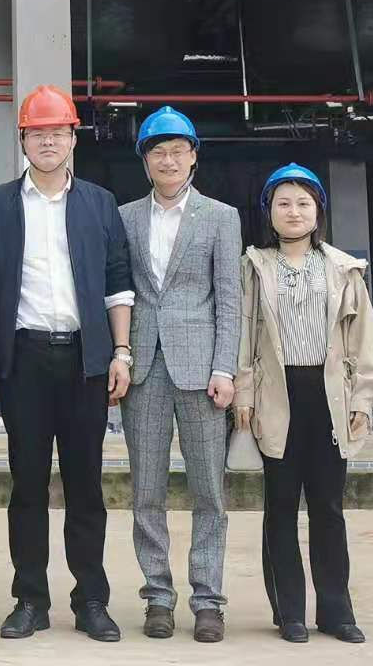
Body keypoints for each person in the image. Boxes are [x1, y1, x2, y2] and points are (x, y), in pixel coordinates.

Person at [0, 84, 134, 642]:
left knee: (86, 486)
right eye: (37, 133)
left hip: (86, 362)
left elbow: (117, 282)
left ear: (72, 140)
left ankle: (91, 600)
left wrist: (120, 352)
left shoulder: (99, 203)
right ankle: (30, 600)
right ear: (22, 140)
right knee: (28, 487)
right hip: (25, 361)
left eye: (57, 133)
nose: (48, 142)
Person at [234, 164, 373, 645]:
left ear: (319, 210)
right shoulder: (254, 267)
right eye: (283, 203)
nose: (294, 212)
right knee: (279, 506)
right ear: (269, 212)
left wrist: (363, 398)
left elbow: (363, 338)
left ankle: (337, 613)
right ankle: (290, 613)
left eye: (303, 203)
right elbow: (243, 333)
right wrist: (243, 393)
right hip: (277, 396)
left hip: (329, 398)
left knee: (328, 508)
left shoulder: (343, 269)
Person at [117, 106, 241, 644]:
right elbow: (120, 292)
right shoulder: (124, 218)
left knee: (208, 491)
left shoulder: (220, 217)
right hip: (144, 369)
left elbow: (230, 299)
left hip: (202, 371)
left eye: (177, 151)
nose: (167, 160)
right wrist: (121, 356)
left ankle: (208, 600)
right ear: (145, 161)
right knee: (146, 491)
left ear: (193, 157)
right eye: (158, 152)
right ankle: (158, 597)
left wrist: (225, 367)